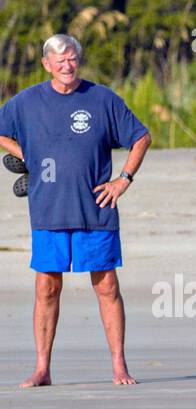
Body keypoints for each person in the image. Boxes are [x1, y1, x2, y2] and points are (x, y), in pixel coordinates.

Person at [0, 33, 151, 387]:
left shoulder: (101, 99)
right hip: (48, 209)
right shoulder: (27, 102)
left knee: (107, 287)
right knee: (47, 288)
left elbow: (141, 136)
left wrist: (123, 179)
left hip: (96, 209)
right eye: (59, 60)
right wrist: (26, 156)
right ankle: (42, 368)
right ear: (46, 65)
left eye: (72, 58)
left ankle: (119, 366)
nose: (67, 66)